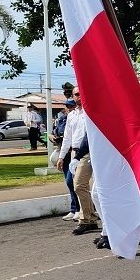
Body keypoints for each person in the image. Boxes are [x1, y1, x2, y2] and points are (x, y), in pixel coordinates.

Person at [57, 87, 99, 235]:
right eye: (76, 94)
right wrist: (62, 156)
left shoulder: (92, 112)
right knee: (77, 185)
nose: (79, 96)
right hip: (75, 153)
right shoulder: (71, 115)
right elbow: (67, 137)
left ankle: (86, 219)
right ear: (73, 97)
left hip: (90, 151)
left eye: (82, 93)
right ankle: (90, 217)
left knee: (81, 185)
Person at [55, 99, 80, 221]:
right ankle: (75, 208)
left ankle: (81, 210)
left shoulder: (82, 116)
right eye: (67, 106)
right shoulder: (65, 118)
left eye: (71, 106)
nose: (69, 108)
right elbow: (64, 136)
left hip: (79, 152)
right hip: (67, 152)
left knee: (75, 182)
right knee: (69, 182)